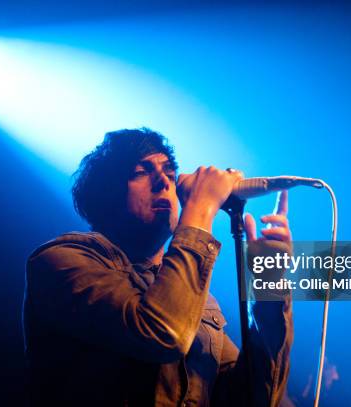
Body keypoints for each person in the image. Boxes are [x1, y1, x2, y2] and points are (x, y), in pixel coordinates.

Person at [23, 128, 293, 406]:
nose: (164, 181)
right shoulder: (59, 261)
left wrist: (269, 284)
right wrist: (201, 208)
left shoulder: (196, 299)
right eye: (141, 172)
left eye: (169, 171)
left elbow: (251, 399)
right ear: (106, 194)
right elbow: (161, 332)